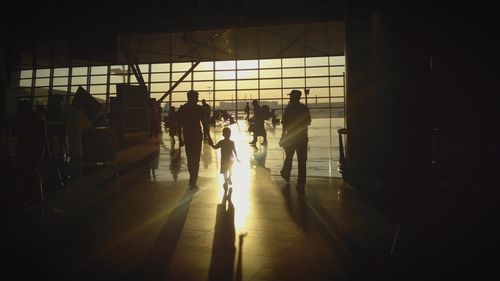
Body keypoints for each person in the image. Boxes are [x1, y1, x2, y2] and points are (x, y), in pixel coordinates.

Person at [13, 100, 49, 206]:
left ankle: (28, 196)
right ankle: (37, 196)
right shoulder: (39, 121)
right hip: (36, 151)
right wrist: (47, 152)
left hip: (23, 149)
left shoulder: (20, 120)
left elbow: (14, 132)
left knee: (25, 174)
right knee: (33, 172)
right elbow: (44, 138)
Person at [178, 90, 213, 188]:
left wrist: (180, 139)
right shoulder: (199, 109)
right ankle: (193, 179)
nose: (198, 99)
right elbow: (205, 123)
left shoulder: (183, 108)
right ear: (193, 97)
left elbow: (179, 124)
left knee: (190, 158)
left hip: (188, 135)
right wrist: (208, 137)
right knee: (196, 159)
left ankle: (192, 178)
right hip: (197, 135)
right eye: (197, 97)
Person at [279, 90, 311, 189]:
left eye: (290, 96)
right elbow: (308, 122)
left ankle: (286, 173)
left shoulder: (289, 108)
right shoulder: (304, 108)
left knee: (289, 156)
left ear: (293, 97)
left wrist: (283, 135)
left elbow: (284, 123)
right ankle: (301, 182)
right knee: (302, 160)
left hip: (291, 137)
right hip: (302, 137)